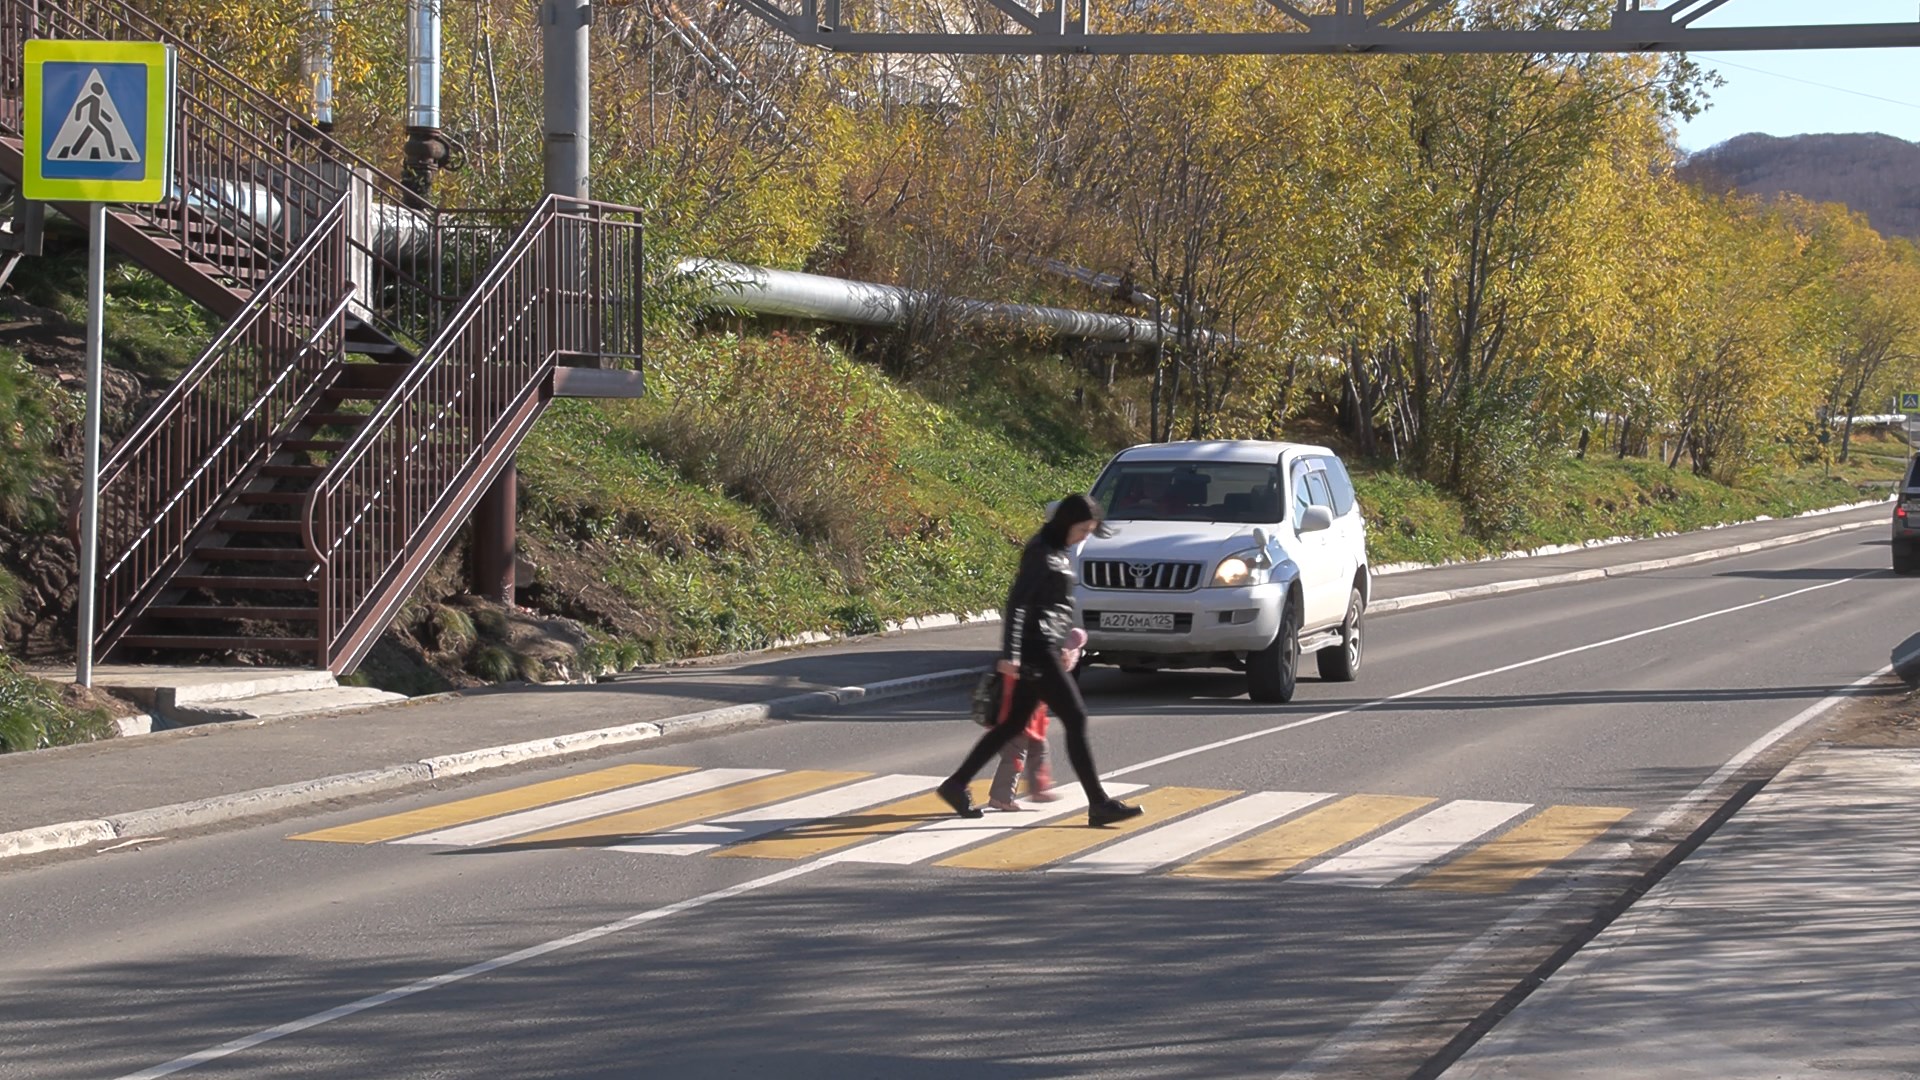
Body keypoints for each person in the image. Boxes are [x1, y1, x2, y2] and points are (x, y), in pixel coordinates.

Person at [937, 495, 1144, 827]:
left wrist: (1063, 642)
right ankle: (1099, 803)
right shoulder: (1041, 552)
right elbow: (1018, 604)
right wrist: (1011, 655)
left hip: (1045, 646)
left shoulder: (1057, 550)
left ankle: (956, 784)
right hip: (1036, 650)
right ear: (1066, 522)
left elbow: (1053, 607)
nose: (1084, 536)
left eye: (1090, 530)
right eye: (1082, 529)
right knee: (1075, 717)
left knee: (1013, 725)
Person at [985, 627, 1084, 810]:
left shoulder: (1045, 663)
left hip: (1031, 720)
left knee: (1039, 748)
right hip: (1012, 716)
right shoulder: (1030, 659)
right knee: (1014, 756)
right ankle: (1001, 797)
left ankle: (1038, 788)